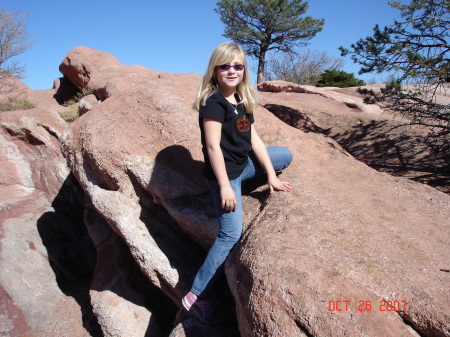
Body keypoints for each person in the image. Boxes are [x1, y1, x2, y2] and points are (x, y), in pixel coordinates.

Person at [182, 42, 293, 324]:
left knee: (284, 155)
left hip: (243, 166)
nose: (232, 71)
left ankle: (254, 178)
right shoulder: (213, 101)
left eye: (238, 66)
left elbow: (253, 137)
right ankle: (196, 294)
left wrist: (269, 175)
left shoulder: (242, 99)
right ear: (215, 70)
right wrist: (224, 186)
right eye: (225, 66)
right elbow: (212, 146)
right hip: (226, 175)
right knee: (230, 234)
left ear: (244, 70)